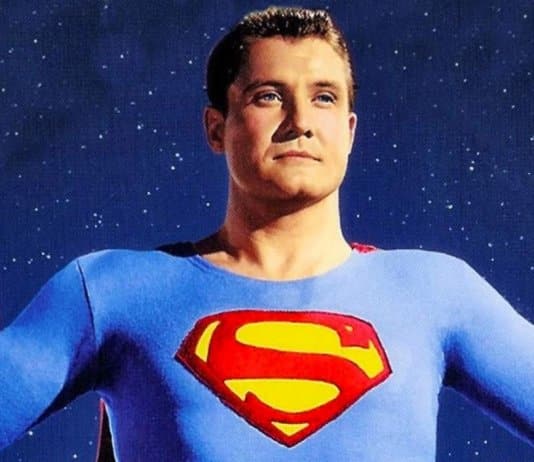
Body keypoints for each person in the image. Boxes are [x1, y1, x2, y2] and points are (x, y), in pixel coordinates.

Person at [1, 6, 533, 462]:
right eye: (268, 96)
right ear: (217, 128)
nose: (300, 120)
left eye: (324, 97)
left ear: (349, 131)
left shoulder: (437, 293)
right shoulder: (110, 292)